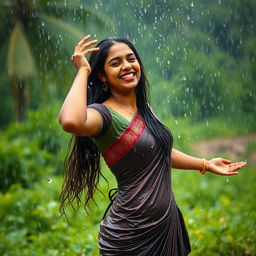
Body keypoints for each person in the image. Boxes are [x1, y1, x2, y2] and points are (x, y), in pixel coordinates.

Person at [58, 35, 246, 256]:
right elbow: (70, 120)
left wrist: (205, 164)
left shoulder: (144, 109)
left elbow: (161, 153)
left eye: (131, 59)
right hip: (129, 234)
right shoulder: (103, 114)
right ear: (102, 75)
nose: (127, 66)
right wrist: (82, 70)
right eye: (115, 63)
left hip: (165, 226)